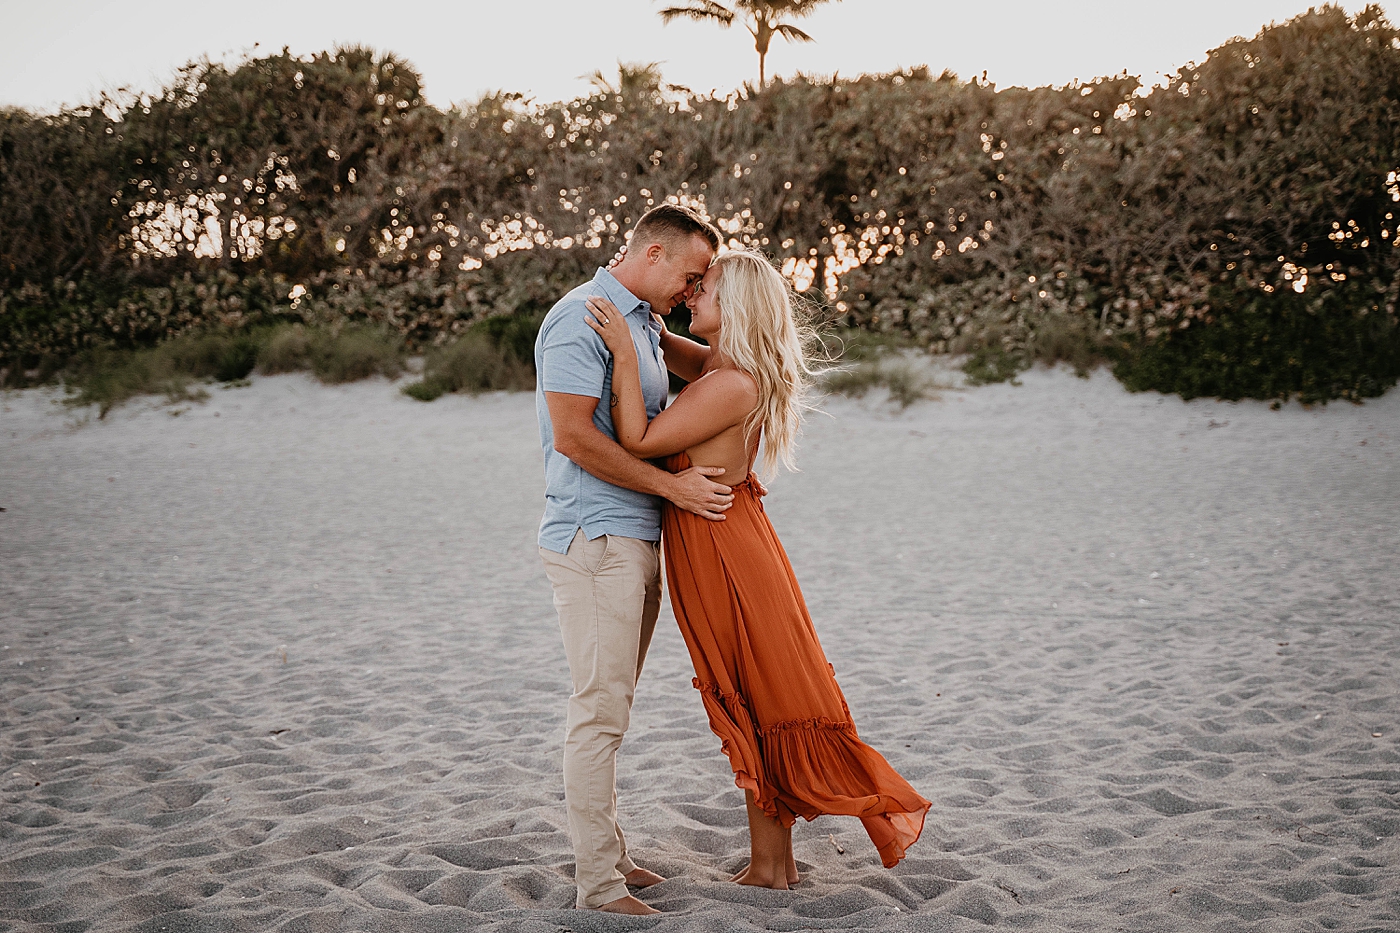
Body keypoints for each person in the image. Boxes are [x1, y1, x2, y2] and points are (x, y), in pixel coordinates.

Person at [583, 247, 931, 889]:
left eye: (704, 287)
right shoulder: (723, 366)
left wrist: (625, 360)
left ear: (736, 306)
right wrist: (632, 282)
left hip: (723, 549)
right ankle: (774, 863)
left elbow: (637, 439)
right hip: (721, 537)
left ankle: (772, 867)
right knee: (750, 696)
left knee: (754, 696)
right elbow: (659, 333)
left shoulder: (730, 383)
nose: (691, 294)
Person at [534, 203, 735, 915]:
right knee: (598, 713)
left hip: (634, 539)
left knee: (612, 706)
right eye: (691, 274)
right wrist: (671, 486)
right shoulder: (579, 318)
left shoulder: (644, 324)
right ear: (651, 253)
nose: (692, 288)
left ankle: (612, 853)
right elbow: (573, 438)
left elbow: (724, 366)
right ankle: (598, 885)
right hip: (595, 538)